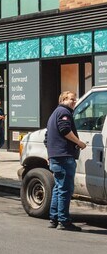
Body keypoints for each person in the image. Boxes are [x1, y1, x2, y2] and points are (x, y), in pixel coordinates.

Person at [46, 91, 86, 231]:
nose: (74, 102)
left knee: (58, 188)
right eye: (71, 100)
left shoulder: (54, 113)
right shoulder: (64, 112)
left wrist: (51, 154)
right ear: (63, 99)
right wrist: (79, 142)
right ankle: (64, 221)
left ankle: (54, 218)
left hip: (56, 156)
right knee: (65, 189)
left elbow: (47, 137)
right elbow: (64, 130)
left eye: (75, 100)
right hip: (64, 157)